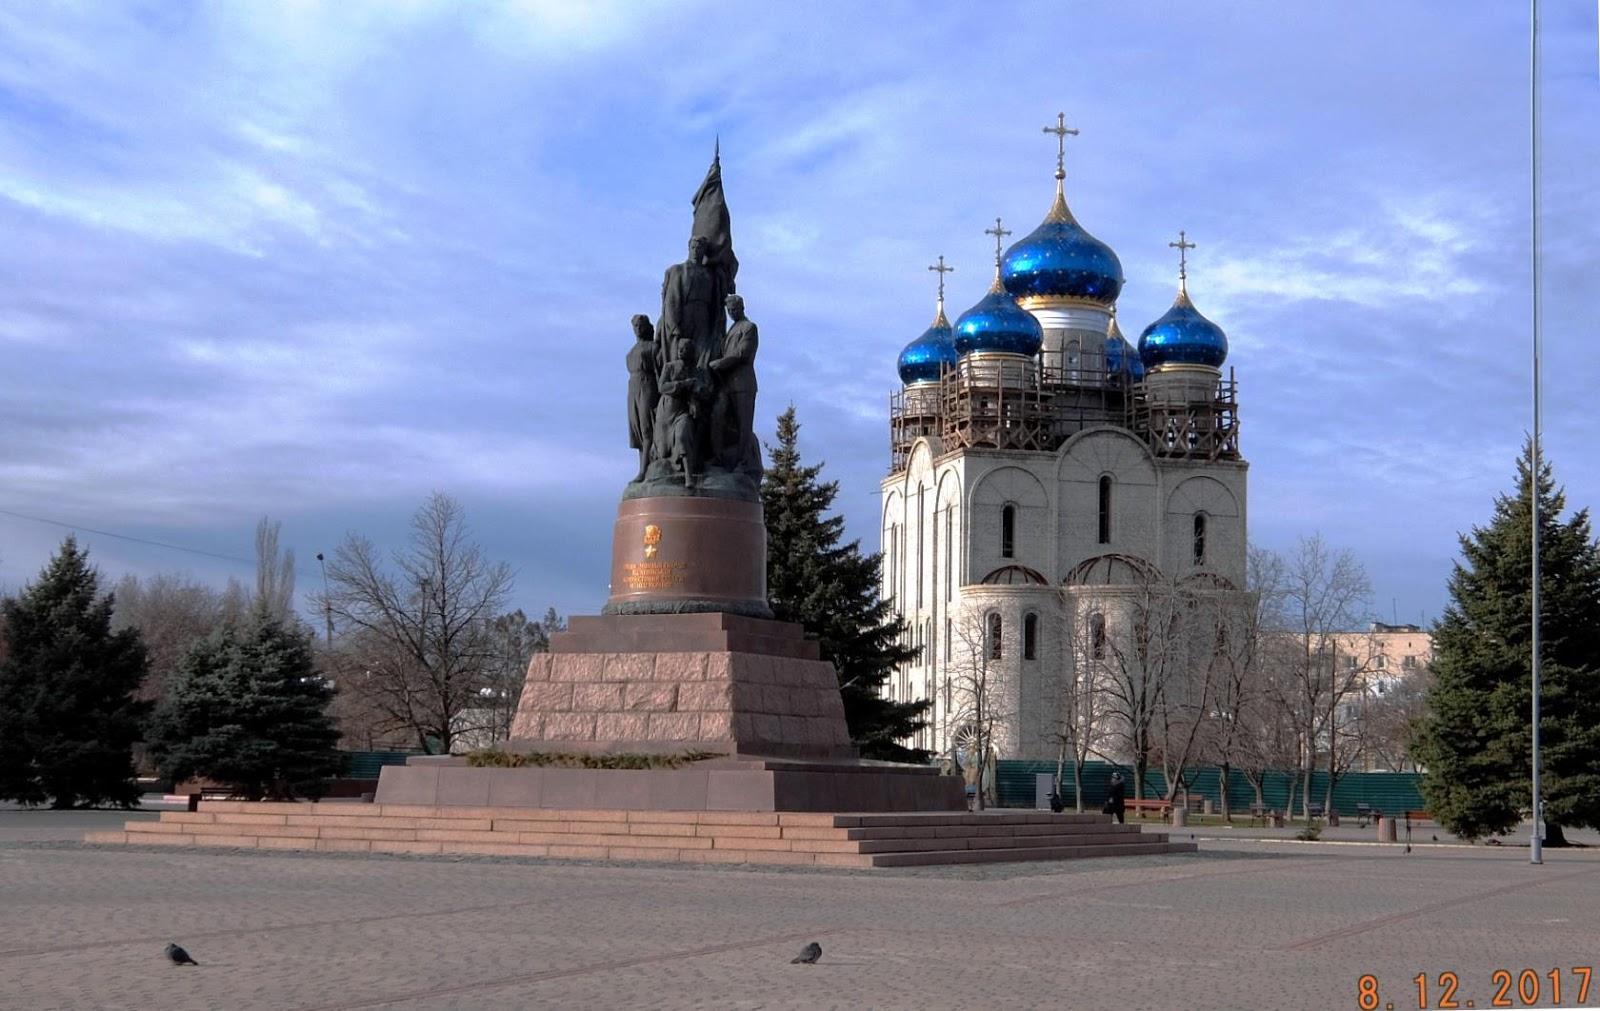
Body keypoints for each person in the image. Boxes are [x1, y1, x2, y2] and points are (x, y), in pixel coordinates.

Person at [709, 293, 759, 475]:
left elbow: (742, 353)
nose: (731, 313)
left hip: (743, 384)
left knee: (743, 425)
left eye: (734, 309)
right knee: (718, 416)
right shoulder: (731, 329)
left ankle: (744, 463)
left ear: (741, 308)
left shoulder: (749, 327)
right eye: (729, 310)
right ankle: (719, 456)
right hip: (727, 384)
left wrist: (721, 363)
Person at [625, 314, 659, 481]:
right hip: (633, 387)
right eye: (636, 326)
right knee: (637, 431)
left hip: (647, 386)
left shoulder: (653, 347)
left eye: (641, 325)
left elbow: (660, 371)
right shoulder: (631, 352)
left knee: (647, 428)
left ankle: (645, 470)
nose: (638, 329)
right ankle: (642, 468)